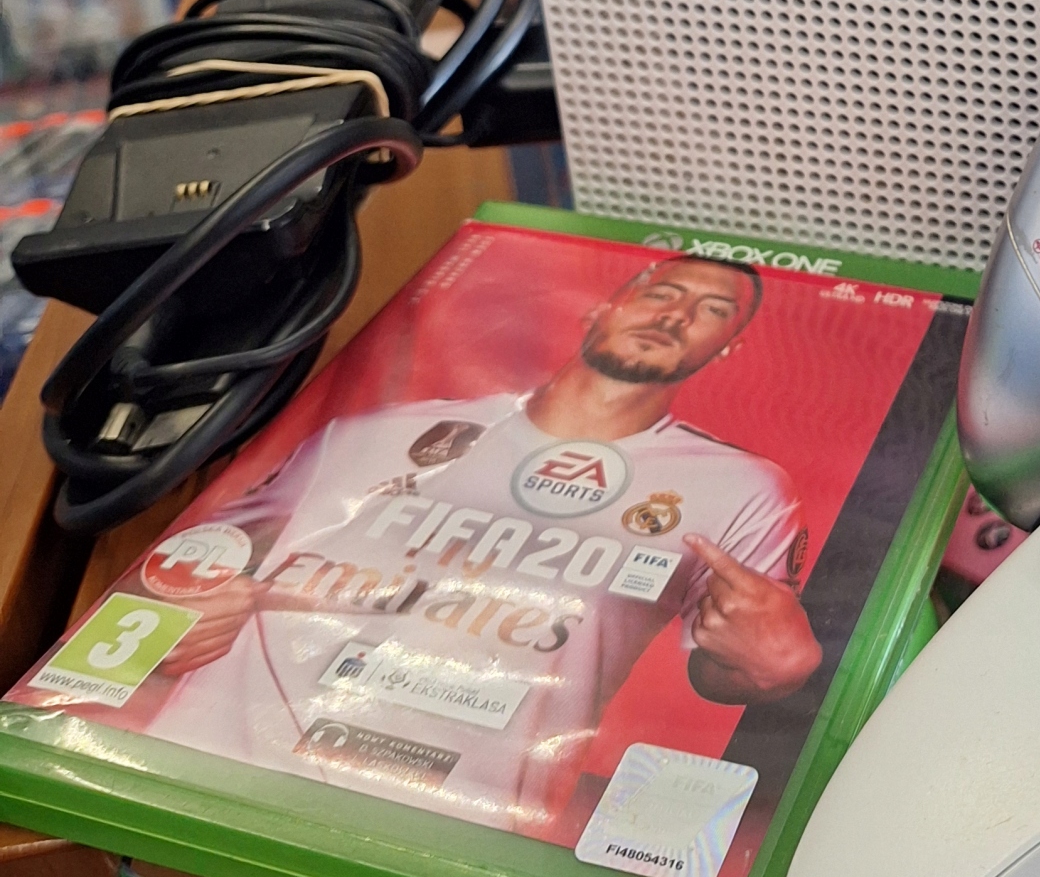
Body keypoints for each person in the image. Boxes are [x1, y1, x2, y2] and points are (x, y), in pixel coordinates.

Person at [138, 256, 821, 833]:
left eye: (711, 311)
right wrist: (176, 614)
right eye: (661, 293)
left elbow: (724, 670)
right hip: (204, 770)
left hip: (446, 822)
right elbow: (189, 563)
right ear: (602, 308)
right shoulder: (374, 433)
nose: (675, 315)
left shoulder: (741, 487)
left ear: (726, 347)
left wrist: (777, 667)